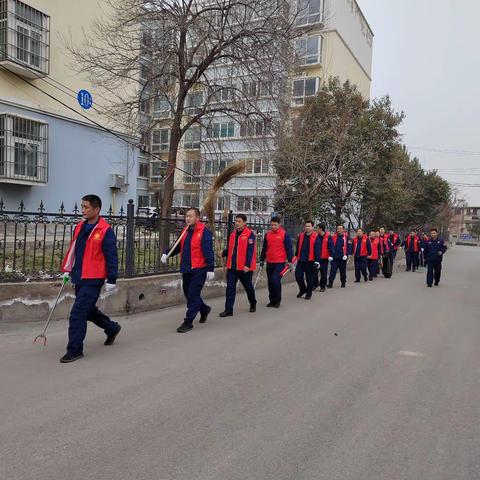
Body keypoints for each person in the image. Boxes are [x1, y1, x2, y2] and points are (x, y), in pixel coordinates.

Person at [60, 194, 121, 363]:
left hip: (94, 279)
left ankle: (74, 350)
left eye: (86, 207)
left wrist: (111, 279)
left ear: (97, 209)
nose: (83, 210)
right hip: (79, 275)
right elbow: (74, 249)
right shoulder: (80, 226)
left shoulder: (105, 230)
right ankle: (111, 327)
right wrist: (67, 268)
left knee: (78, 313)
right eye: (82, 206)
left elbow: (111, 256)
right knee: (88, 310)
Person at [161, 208, 215, 332]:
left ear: (197, 218)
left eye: (190, 216)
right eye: (186, 216)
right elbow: (177, 246)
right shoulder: (185, 230)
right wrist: (166, 253)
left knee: (193, 295)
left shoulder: (204, 232)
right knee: (188, 294)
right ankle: (204, 309)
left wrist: (210, 268)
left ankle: (188, 322)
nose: (188, 218)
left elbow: (208, 251)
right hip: (186, 268)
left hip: (199, 269)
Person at [219, 214, 257, 317]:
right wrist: (224, 252)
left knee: (248, 287)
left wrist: (247, 265)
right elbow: (232, 248)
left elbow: (250, 251)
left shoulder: (250, 234)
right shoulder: (233, 234)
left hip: (244, 267)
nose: (237, 223)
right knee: (230, 288)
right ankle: (228, 310)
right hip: (232, 266)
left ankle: (253, 303)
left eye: (239, 221)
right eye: (236, 221)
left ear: (244, 222)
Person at [260, 216, 294, 308]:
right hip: (270, 261)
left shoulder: (284, 234)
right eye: (272, 225)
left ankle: (277, 300)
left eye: (275, 225)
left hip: (280, 262)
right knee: (270, 282)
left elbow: (289, 248)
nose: (273, 226)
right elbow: (264, 248)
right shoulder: (268, 234)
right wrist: (262, 259)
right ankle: (272, 300)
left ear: (279, 224)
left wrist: (290, 260)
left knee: (275, 280)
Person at [295, 220, 317, 300]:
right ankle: (303, 289)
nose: (307, 227)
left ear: (312, 227)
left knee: (309, 278)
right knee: (298, 276)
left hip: (310, 261)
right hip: (301, 260)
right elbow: (297, 247)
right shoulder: (301, 236)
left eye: (309, 226)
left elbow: (317, 250)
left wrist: (317, 261)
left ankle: (309, 293)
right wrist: (296, 256)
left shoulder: (315, 236)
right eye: (306, 226)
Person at [314, 223, 334, 292]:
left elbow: (331, 246)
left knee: (323, 273)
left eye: (317, 228)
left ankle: (322, 286)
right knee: (314, 272)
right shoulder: (315, 236)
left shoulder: (328, 236)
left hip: (324, 258)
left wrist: (331, 255)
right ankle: (315, 284)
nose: (316, 229)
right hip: (316, 258)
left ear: (320, 229)